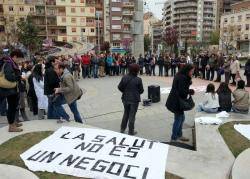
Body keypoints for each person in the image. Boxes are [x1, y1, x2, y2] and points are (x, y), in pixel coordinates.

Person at [166, 64, 195, 142]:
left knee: (180, 118)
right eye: (191, 71)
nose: (192, 73)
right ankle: (174, 137)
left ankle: (179, 135)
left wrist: (189, 81)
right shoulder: (183, 78)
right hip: (177, 101)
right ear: (187, 70)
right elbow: (182, 92)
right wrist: (190, 91)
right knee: (179, 119)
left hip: (175, 99)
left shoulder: (179, 75)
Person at [0, 51, 23, 132]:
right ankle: (11, 126)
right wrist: (19, 77)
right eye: (19, 59)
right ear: (15, 56)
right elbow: (9, 76)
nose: (20, 61)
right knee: (11, 107)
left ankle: (13, 123)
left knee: (12, 107)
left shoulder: (10, 62)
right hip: (9, 90)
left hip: (10, 90)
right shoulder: (9, 63)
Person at [118, 64, 144, 135]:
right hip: (134, 100)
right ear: (136, 71)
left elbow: (119, 87)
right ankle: (131, 131)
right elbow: (141, 91)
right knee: (132, 115)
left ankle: (122, 129)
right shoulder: (138, 79)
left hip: (125, 98)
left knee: (126, 113)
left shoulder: (124, 77)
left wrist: (125, 91)